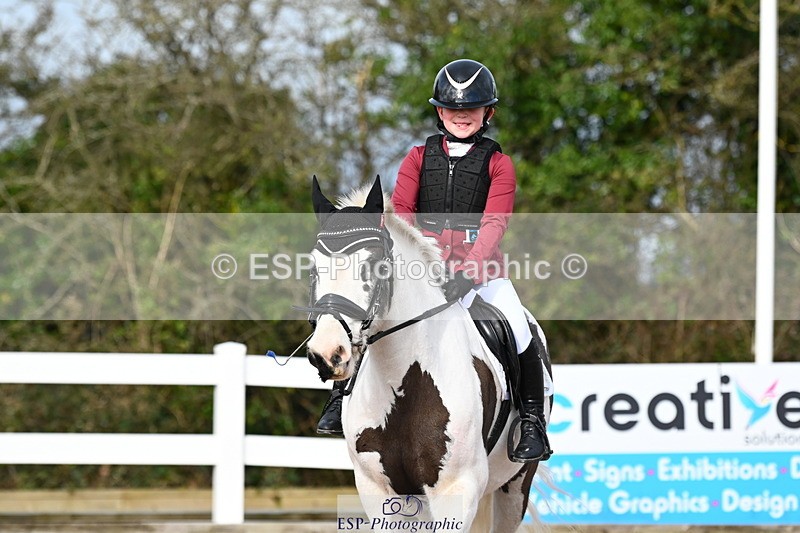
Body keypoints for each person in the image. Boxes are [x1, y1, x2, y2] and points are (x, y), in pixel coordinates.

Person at [316, 59, 551, 463]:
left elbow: (495, 223)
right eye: (453, 110)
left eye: (471, 110)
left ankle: (531, 421)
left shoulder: (499, 164)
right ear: (440, 112)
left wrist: (468, 272)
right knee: (367, 313)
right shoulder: (417, 157)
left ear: (487, 113)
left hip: (481, 274)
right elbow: (402, 213)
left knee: (518, 326)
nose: (462, 117)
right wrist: (421, 261)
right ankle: (341, 395)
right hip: (422, 270)